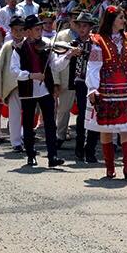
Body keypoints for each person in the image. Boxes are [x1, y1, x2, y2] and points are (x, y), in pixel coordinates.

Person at [85, 6, 127, 178]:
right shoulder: (99, 41)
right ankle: (110, 166)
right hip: (107, 88)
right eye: (120, 17)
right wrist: (92, 88)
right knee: (106, 128)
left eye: (123, 17)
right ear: (111, 20)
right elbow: (93, 67)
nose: (123, 20)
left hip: (126, 88)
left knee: (125, 127)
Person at [10, 15, 67, 167]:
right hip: (28, 90)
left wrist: (67, 56)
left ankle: (52, 156)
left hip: (45, 90)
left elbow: (55, 66)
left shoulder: (47, 45)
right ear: (28, 32)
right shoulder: (18, 49)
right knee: (28, 123)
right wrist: (30, 75)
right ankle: (30, 154)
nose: (40, 31)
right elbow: (14, 71)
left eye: (41, 29)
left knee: (50, 123)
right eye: (37, 29)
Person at [54, 11, 100, 161]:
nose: (81, 29)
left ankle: (91, 149)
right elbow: (60, 61)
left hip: (95, 84)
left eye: (85, 26)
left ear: (90, 27)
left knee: (95, 115)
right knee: (82, 115)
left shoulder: (97, 43)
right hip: (80, 82)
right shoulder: (73, 44)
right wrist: (70, 54)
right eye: (79, 25)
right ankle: (80, 148)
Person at [0, 16, 26, 151]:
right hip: (12, 85)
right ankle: (16, 141)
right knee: (15, 113)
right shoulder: (7, 46)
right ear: (11, 30)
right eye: (15, 30)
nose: (18, 33)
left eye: (21, 30)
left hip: (28, 82)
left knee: (28, 112)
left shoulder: (29, 44)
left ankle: (26, 136)